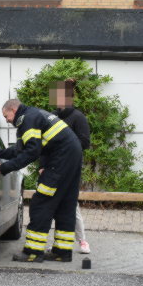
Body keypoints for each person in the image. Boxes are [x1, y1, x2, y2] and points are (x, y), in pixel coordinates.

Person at [0, 99, 82, 263]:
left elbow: (32, 152)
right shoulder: (32, 115)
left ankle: (33, 252)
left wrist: (7, 167)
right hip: (72, 157)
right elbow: (21, 149)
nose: (7, 120)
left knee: (41, 203)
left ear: (13, 109)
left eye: (6, 116)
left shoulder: (27, 120)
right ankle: (62, 252)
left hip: (60, 160)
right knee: (65, 204)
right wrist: (0, 152)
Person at [50, 79, 91, 254]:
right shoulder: (51, 116)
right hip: (53, 168)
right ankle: (59, 242)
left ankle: (82, 240)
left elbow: (84, 142)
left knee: (71, 205)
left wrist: (66, 149)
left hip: (70, 168)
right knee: (52, 205)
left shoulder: (78, 117)